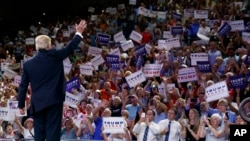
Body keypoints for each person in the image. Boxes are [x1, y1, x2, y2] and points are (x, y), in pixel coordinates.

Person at [17, 19, 87, 141]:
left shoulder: (28, 64)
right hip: (54, 101)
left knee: (39, 134)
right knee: (53, 133)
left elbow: (23, 86)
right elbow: (70, 47)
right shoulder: (55, 56)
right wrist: (79, 32)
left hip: (37, 103)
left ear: (37, 47)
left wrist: (21, 104)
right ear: (49, 46)